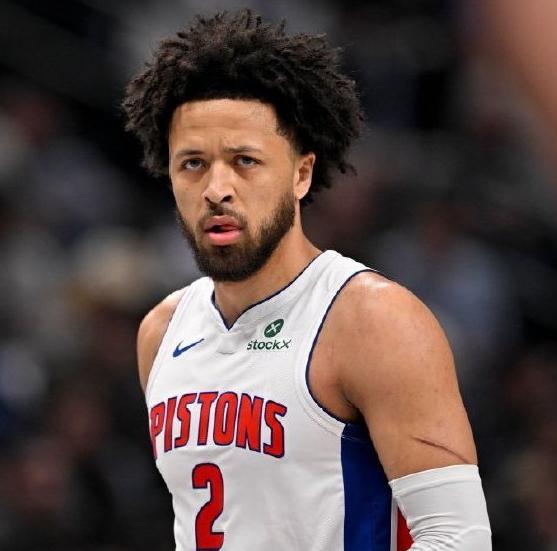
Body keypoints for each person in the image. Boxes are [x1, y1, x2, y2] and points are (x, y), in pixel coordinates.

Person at [123, 9, 491, 550]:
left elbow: (459, 537)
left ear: (301, 173)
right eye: (193, 164)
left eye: (244, 161)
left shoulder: (370, 318)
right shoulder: (161, 332)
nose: (216, 188)